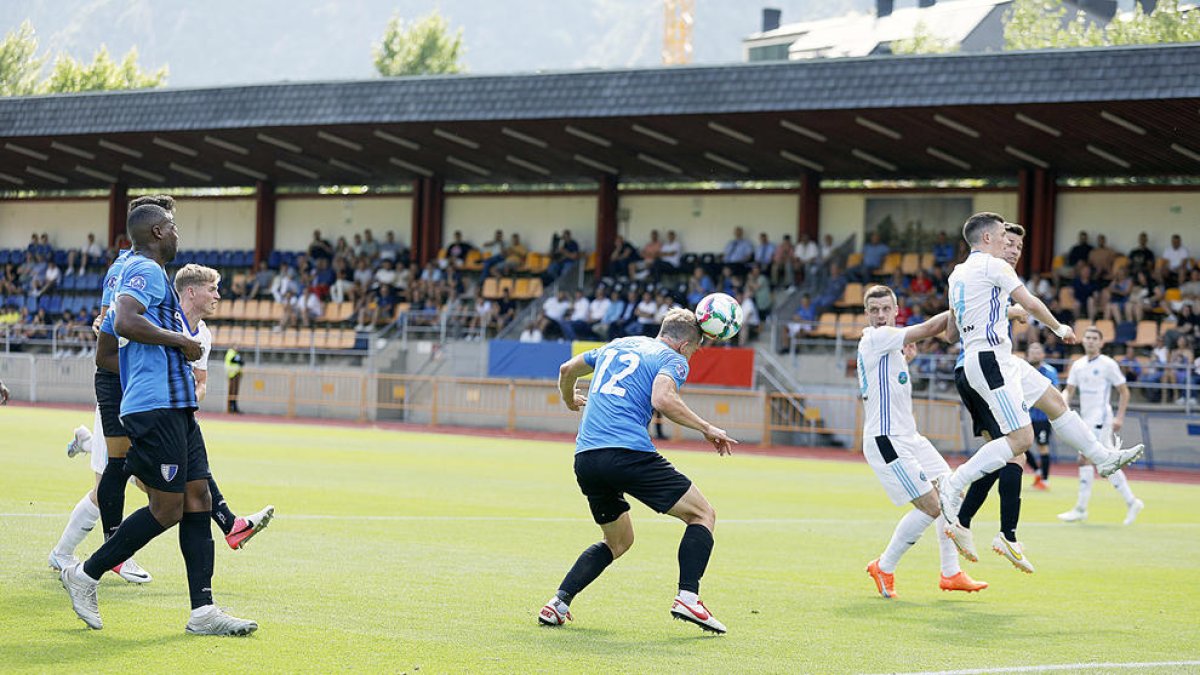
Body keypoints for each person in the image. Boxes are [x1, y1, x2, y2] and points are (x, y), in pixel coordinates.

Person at [59, 203, 257, 635]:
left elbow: (106, 350)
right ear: (156, 230)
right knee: (167, 508)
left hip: (173, 403)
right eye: (172, 227)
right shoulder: (146, 271)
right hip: (158, 407)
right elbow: (126, 321)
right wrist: (179, 344)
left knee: (199, 499)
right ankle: (84, 574)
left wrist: (139, 373)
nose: (176, 233)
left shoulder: (127, 269)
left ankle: (203, 612)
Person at [938, 214, 1142, 564]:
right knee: (1020, 441)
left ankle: (1102, 458)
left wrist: (1003, 311)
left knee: (1054, 401)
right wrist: (1059, 327)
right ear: (987, 238)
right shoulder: (994, 267)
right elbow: (1032, 302)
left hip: (992, 357)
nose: (1008, 243)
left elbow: (952, 333)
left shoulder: (958, 274)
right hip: (990, 360)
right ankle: (956, 487)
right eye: (1004, 236)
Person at [538, 308, 735, 633]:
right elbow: (663, 398)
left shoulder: (619, 344)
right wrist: (707, 427)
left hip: (586, 458)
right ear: (686, 345)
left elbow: (566, 369)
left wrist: (569, 400)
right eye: (696, 350)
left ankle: (558, 603)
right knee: (703, 514)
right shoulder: (673, 359)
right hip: (626, 452)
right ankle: (688, 596)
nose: (693, 356)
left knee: (618, 540)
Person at [857, 285, 987, 598]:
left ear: (896, 309)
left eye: (885, 309)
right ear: (866, 314)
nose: (879, 315)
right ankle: (884, 566)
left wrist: (908, 361)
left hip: (909, 437)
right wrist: (960, 305)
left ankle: (951, 572)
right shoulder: (875, 338)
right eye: (873, 310)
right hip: (887, 439)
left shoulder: (892, 347)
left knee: (950, 488)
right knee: (930, 506)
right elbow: (930, 328)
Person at [173, 264, 275, 548]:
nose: (218, 295)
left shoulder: (204, 334)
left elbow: (201, 382)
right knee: (163, 505)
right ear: (191, 292)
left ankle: (231, 525)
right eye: (213, 289)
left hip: (178, 416)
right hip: (144, 412)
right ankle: (95, 563)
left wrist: (190, 398)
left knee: (187, 490)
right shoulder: (166, 321)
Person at [1058, 327, 1144, 526]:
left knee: (1085, 459)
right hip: (1085, 418)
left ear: (1101, 343)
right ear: (1083, 340)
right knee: (1106, 462)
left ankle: (1080, 509)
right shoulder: (1077, 365)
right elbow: (1069, 391)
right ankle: (1132, 502)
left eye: (1094, 338)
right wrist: (1062, 404)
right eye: (1087, 338)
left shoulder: (1108, 364)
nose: (1090, 341)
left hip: (1101, 418)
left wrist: (1119, 417)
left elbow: (1124, 391)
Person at [1025, 343, 1056, 491]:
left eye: (1038, 350)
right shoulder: (1023, 370)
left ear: (1043, 354)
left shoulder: (1050, 371)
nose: (1035, 353)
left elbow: (1054, 392)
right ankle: (1038, 472)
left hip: (1042, 417)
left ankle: (1044, 480)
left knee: (1043, 447)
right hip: (1025, 416)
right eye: (1032, 350)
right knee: (1020, 445)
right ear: (1027, 354)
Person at [225, 346, 243, 414]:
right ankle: (231, 408)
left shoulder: (235, 354)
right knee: (232, 392)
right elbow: (232, 360)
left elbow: (241, 362)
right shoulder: (231, 353)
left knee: (235, 392)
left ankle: (234, 407)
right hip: (232, 374)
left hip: (236, 374)